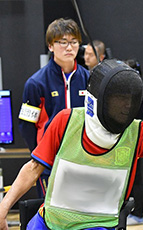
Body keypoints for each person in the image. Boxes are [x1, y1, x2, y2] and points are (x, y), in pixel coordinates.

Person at [0, 59, 143, 230]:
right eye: (117, 99)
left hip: (96, 227)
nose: (125, 106)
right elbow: (33, 168)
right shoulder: (66, 121)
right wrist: (3, 208)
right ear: (98, 99)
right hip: (48, 223)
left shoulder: (137, 132)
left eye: (129, 100)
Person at [18, 18, 90, 198]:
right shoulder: (35, 83)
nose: (69, 48)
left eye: (74, 42)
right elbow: (26, 125)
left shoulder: (89, 79)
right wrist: (40, 156)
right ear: (51, 46)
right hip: (49, 164)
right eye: (62, 42)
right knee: (51, 214)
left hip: (83, 159)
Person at [123, 58, 143, 225]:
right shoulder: (133, 90)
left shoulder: (137, 91)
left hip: (133, 137)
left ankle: (138, 214)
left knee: (135, 177)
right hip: (128, 136)